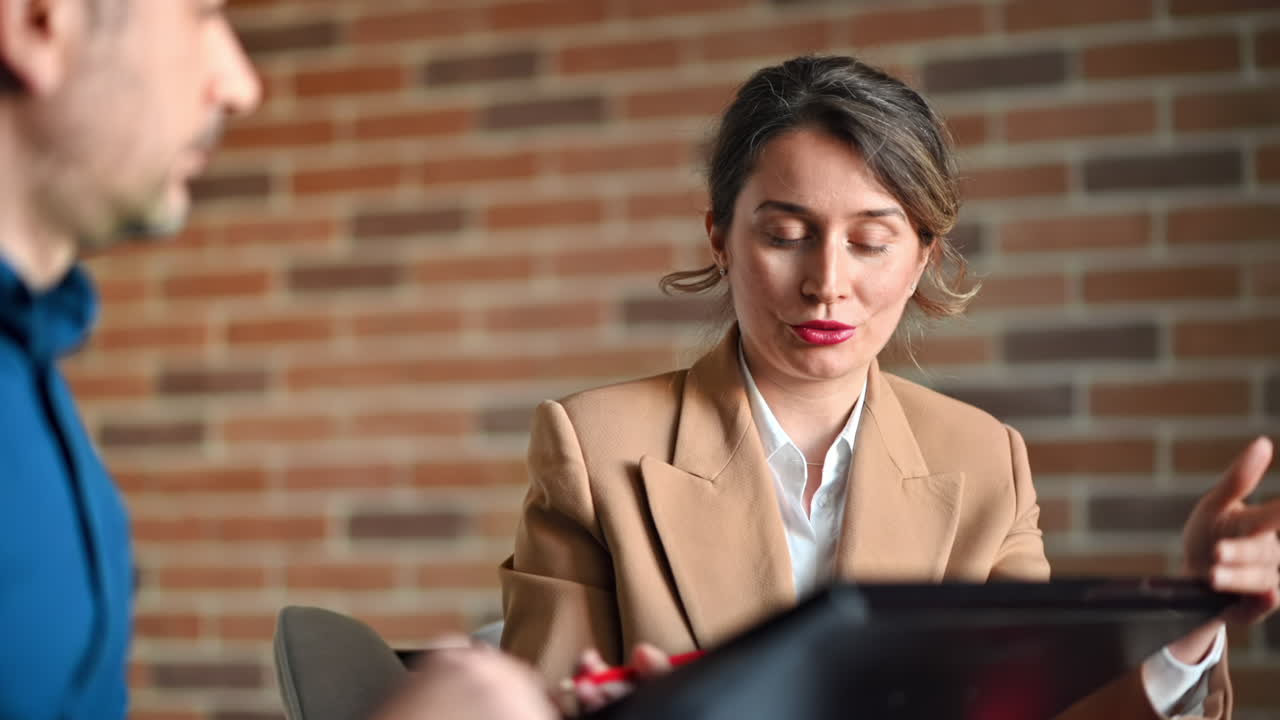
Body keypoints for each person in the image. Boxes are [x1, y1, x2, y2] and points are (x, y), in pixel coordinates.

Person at [499, 55, 1280, 719]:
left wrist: (1186, 618)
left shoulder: (984, 460)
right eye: (784, 235)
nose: (827, 284)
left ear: (923, 259)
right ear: (721, 238)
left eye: (871, 241)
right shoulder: (594, 448)